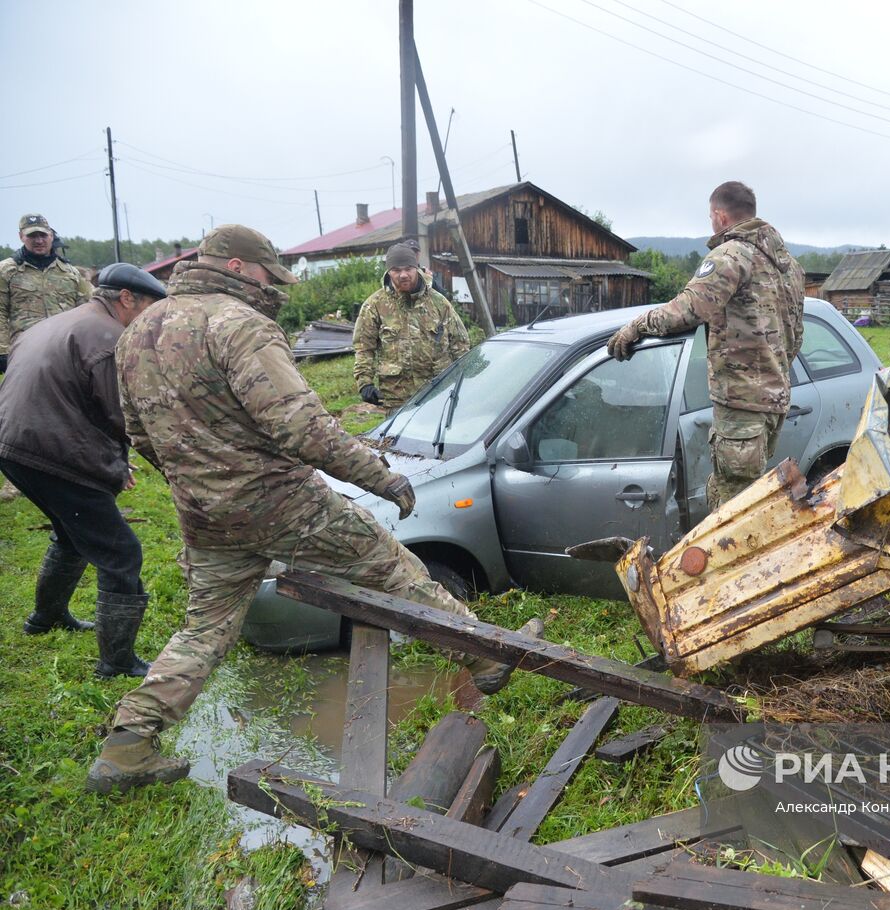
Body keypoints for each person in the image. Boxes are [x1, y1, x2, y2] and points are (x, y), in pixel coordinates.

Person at [86, 225, 529, 795]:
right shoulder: (240, 326)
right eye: (270, 274)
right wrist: (379, 476)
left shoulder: (139, 330)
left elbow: (140, 434)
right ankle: (484, 656)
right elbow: (302, 426)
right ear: (241, 268)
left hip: (204, 510)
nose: (274, 285)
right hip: (280, 499)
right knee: (388, 564)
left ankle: (127, 743)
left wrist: (198, 477)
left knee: (205, 629)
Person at [0, 263, 166, 676]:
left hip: (13, 446)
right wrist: (172, 467)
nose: (152, 319)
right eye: (150, 307)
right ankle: (116, 662)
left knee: (73, 535)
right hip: (51, 451)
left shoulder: (61, 321)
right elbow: (125, 417)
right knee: (120, 552)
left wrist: (115, 461)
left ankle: (45, 618)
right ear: (126, 299)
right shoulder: (110, 339)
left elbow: (83, 403)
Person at [607, 181, 805, 510]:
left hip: (741, 407)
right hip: (774, 403)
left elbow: (686, 311)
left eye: (710, 217)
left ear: (719, 216)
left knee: (733, 513)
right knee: (749, 499)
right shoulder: (790, 267)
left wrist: (637, 326)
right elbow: (795, 336)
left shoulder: (730, 256)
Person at [353, 240, 470, 409]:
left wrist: (464, 380)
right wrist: (365, 383)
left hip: (437, 393)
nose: (403, 275)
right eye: (396, 270)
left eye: (408, 269)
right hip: (397, 398)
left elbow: (460, 343)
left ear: (416, 268)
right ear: (388, 271)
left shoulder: (439, 302)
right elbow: (364, 347)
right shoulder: (374, 305)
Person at [0, 213, 93, 372]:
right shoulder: (6, 271)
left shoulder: (71, 273)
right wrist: (2, 351)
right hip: (24, 352)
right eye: (32, 236)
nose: (39, 241)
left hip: (64, 351)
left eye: (43, 235)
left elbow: (87, 313)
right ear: (21, 236)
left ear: (51, 235)